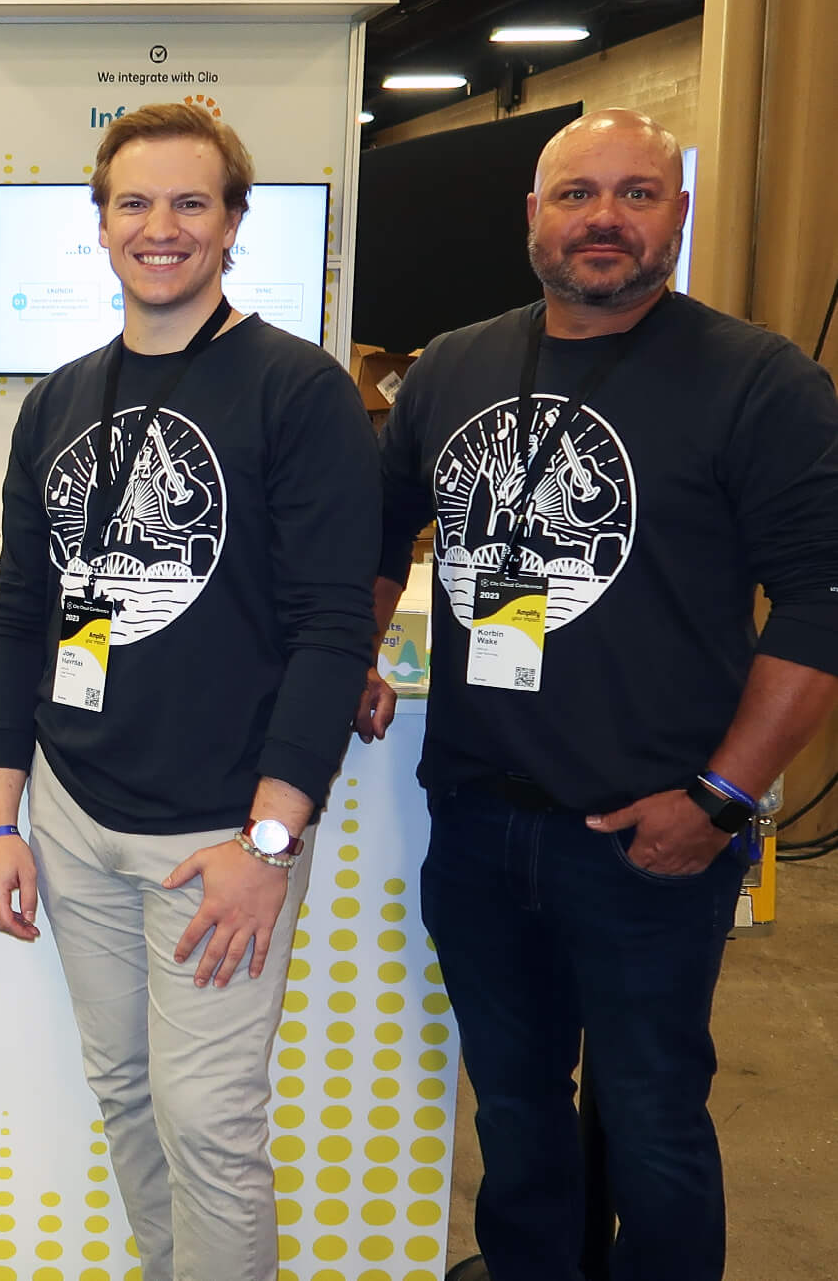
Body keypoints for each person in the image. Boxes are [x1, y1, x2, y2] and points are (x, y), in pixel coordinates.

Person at [359, 108, 838, 1280]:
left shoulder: (758, 381)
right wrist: (353, 656)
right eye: (578, 194)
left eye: (638, 193)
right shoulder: (456, 365)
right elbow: (375, 534)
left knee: (652, 1113)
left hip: (652, 832)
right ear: (533, 215)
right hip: (477, 820)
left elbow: (821, 605)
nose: (605, 219)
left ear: (677, 212)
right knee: (515, 1109)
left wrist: (722, 799)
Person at [0, 101, 377, 1281]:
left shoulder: (298, 393)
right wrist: (3, 813)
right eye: (135, 203)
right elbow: (21, 616)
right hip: (75, 816)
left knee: (209, 1123)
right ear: (100, 226)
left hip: (216, 836)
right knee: (128, 1093)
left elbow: (328, 630)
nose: (162, 228)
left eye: (191, 202)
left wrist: (269, 836)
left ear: (233, 224)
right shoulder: (60, 399)